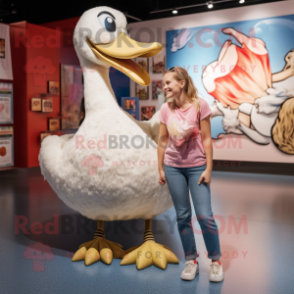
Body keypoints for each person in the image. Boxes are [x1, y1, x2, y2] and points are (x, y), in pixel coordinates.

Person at [157, 66, 224, 282]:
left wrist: (209, 168)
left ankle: (215, 261)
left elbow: (206, 139)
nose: (164, 86)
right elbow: (162, 140)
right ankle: (191, 260)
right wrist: (160, 167)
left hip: (197, 166)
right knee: (183, 216)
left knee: (204, 215)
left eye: (168, 82)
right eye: (164, 83)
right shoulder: (165, 110)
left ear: (181, 83)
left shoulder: (200, 106)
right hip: (173, 167)